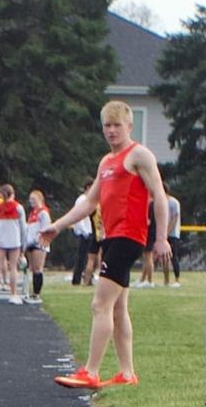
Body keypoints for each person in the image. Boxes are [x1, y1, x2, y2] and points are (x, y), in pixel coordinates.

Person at [45, 100, 169, 389]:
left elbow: (159, 196)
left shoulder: (138, 155)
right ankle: (127, 373)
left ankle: (91, 370)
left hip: (128, 236)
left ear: (129, 126)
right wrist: (59, 224)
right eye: (107, 126)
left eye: (117, 125)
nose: (112, 131)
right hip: (111, 235)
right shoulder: (106, 162)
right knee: (117, 307)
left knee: (99, 303)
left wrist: (161, 237)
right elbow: (90, 201)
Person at [0, 183, 24, 304]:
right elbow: (23, 228)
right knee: (13, 267)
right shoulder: (19, 208)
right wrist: (23, 244)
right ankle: (13, 294)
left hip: (0, 240)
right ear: (12, 194)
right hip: (15, 240)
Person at [23, 188, 51, 304]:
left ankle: (37, 293)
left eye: (33, 199)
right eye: (30, 199)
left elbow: (45, 228)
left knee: (38, 268)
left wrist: (37, 240)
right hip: (30, 243)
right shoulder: (32, 213)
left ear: (40, 199)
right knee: (32, 268)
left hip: (38, 244)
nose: (31, 201)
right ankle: (32, 292)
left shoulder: (43, 212)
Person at [164, 190, 182, 286]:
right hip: (164, 234)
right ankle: (166, 281)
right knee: (164, 258)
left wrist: (167, 231)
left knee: (173, 257)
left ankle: (177, 280)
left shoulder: (173, 202)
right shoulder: (161, 201)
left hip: (173, 234)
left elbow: (175, 217)